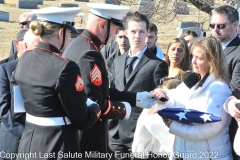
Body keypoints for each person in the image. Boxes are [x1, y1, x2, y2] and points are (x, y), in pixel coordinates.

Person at [63, 3, 157, 159]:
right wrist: (124, 109)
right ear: (102, 25)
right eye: (115, 29)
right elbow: (95, 100)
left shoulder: (78, 44)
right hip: (88, 137)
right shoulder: (90, 53)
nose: (116, 34)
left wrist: (136, 98)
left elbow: (100, 90)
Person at [13, 7, 101, 159]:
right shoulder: (66, 67)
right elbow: (82, 119)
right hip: (58, 146)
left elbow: (18, 110)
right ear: (61, 33)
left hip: (28, 144)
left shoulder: (23, 59)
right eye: (69, 32)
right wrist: (94, 109)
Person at [152, 37, 233, 160]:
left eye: (199, 58)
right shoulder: (192, 81)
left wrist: (173, 126)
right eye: (193, 56)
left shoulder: (219, 89)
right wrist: (162, 97)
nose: (193, 61)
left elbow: (209, 128)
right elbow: (173, 99)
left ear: (212, 61)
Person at [109, 12, 168, 160]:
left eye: (142, 31)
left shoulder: (157, 64)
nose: (137, 36)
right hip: (115, 132)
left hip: (140, 133)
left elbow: (159, 100)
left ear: (147, 33)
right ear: (126, 32)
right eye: (133, 31)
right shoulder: (117, 61)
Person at [0, 29, 40, 160]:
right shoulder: (6, 69)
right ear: (24, 45)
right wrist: (25, 134)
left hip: (38, 142)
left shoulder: (44, 69)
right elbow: (3, 108)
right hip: (12, 140)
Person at [210, 5, 240, 159]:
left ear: (235, 25)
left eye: (221, 26)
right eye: (212, 25)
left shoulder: (238, 52)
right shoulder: (211, 49)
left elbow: (235, 90)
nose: (215, 30)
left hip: (228, 125)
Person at [132, 78, 181, 159]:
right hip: (150, 153)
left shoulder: (177, 114)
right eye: (161, 95)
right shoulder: (150, 108)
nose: (161, 100)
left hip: (167, 155)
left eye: (164, 98)